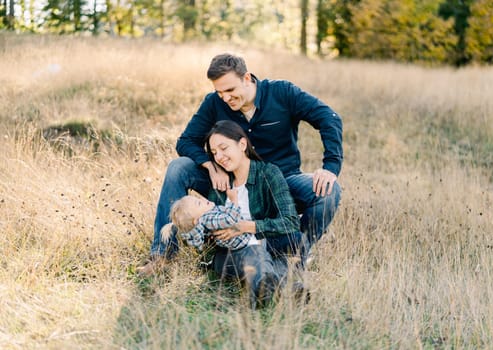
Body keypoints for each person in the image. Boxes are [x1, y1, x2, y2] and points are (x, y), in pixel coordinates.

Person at [138, 52, 343, 276]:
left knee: (328, 191)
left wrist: (330, 166)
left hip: (281, 180)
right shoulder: (214, 103)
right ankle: (163, 256)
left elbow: (329, 117)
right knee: (178, 168)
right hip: (229, 183)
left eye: (230, 90)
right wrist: (211, 166)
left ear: (247, 79)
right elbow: (186, 141)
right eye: (219, 92)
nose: (225, 98)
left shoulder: (282, 93)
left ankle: (293, 255)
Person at [208, 120, 305, 308]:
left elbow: (290, 221)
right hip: (230, 254)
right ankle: (285, 289)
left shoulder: (268, 173)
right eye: (214, 153)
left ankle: (266, 290)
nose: (219, 156)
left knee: (291, 243)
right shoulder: (220, 182)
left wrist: (245, 227)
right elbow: (209, 222)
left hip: (269, 245)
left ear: (242, 144)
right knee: (254, 252)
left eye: (223, 148)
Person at [160, 190, 253, 251]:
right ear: (196, 220)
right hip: (247, 241)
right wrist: (234, 200)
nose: (204, 200)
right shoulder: (208, 219)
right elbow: (230, 219)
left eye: (199, 199)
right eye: (199, 203)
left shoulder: (208, 215)